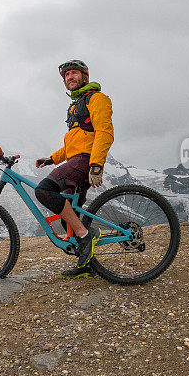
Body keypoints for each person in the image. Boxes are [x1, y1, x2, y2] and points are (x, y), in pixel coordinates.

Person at [35, 60, 114, 277]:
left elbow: (104, 132)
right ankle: (86, 263)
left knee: (43, 191)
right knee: (67, 216)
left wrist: (97, 164)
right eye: (66, 75)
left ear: (85, 76)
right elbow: (74, 143)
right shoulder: (75, 105)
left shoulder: (97, 99)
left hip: (85, 161)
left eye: (74, 73)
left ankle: (85, 235)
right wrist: (52, 159)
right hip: (78, 158)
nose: (70, 77)